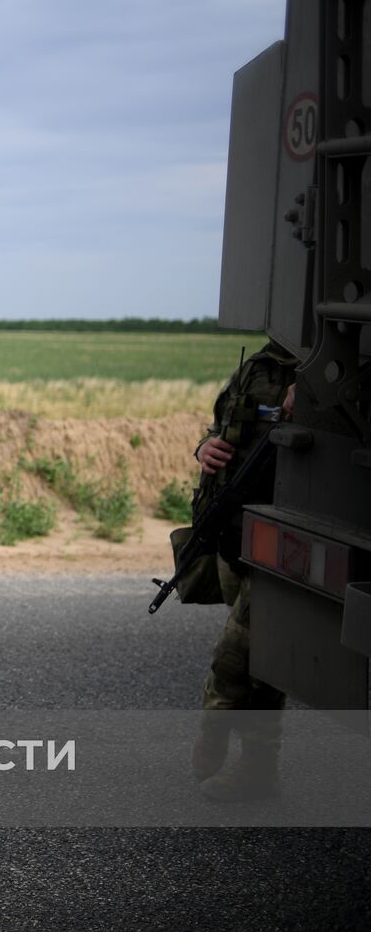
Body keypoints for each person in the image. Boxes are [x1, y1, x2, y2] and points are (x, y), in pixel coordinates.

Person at [190, 338, 298, 801]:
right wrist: (205, 448)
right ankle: (259, 768)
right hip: (237, 531)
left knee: (235, 656)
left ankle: (217, 725)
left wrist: (312, 399)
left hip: (284, 532)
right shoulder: (261, 365)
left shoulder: (331, 370)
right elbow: (224, 426)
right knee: (263, 658)